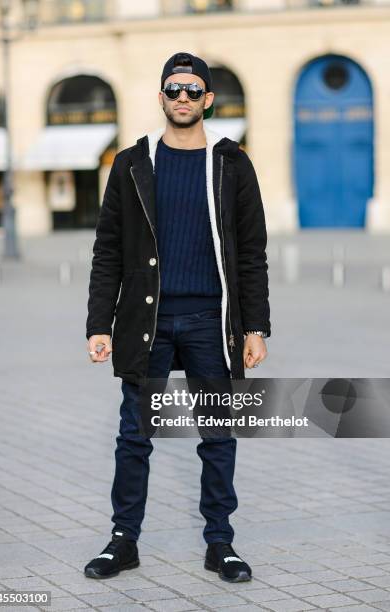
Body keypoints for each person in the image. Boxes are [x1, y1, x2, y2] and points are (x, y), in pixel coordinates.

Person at [84, 51, 271, 583]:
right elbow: (108, 249)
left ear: (208, 99)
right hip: (149, 321)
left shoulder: (232, 161)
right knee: (135, 435)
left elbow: (251, 253)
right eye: (174, 88)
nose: (183, 97)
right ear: (161, 96)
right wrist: (99, 324)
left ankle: (221, 544)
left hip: (212, 321)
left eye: (193, 90)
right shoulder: (132, 162)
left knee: (217, 434)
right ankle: (124, 541)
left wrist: (254, 327)